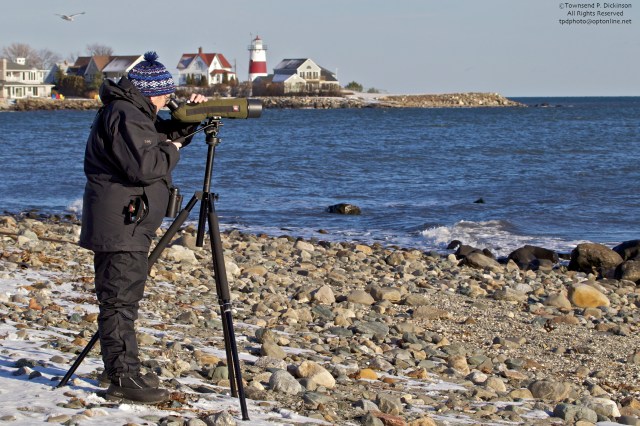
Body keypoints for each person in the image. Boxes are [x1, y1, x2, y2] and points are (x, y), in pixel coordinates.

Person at [80, 51, 206, 404]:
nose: (169, 99)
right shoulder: (125, 114)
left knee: (123, 298)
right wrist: (177, 145)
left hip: (125, 222)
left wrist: (187, 124)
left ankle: (121, 366)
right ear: (151, 91)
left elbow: (153, 140)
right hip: (121, 224)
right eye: (166, 93)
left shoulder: (132, 113)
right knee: (120, 300)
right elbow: (146, 165)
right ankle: (123, 376)